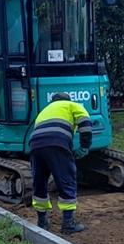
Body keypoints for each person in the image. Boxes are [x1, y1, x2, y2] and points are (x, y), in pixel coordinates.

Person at [29, 92, 93, 233]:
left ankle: (42, 222)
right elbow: (86, 125)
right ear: (68, 100)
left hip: (35, 145)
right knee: (66, 180)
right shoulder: (73, 105)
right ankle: (68, 224)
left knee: (39, 183)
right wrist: (84, 146)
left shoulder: (44, 111)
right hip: (57, 143)